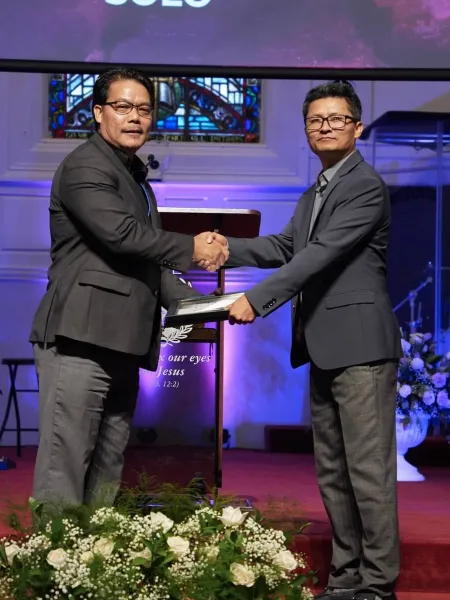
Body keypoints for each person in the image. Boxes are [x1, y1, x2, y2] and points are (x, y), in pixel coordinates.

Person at [208, 81, 402, 600]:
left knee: (368, 472)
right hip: (323, 347)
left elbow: (319, 255)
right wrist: (227, 250)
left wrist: (256, 299)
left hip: (361, 348)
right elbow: (285, 245)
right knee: (333, 471)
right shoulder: (316, 191)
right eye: (316, 120)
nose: (325, 127)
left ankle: (378, 586)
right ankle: (347, 576)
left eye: (336, 118)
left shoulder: (364, 185)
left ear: (357, 127)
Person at [30, 67, 228, 507]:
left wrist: (209, 305)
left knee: (105, 479)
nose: (135, 117)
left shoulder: (135, 179)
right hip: (80, 339)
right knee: (64, 474)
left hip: (123, 344)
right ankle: (55, 555)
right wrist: (193, 248)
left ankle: (97, 554)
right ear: (98, 112)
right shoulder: (85, 165)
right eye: (123, 107)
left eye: (144, 109)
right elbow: (122, 236)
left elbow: (146, 263)